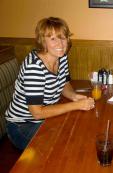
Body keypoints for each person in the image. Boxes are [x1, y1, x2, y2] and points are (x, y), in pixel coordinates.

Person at [5, 17, 95, 150]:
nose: (60, 44)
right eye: (53, 38)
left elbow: (63, 83)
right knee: (61, 148)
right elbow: (37, 113)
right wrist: (75, 105)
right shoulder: (34, 67)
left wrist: (74, 96)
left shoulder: (61, 57)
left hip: (45, 119)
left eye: (63, 37)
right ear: (43, 41)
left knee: (77, 133)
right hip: (22, 125)